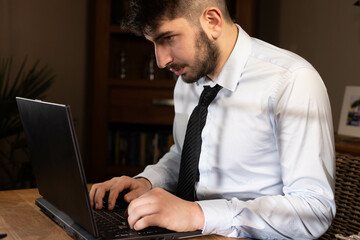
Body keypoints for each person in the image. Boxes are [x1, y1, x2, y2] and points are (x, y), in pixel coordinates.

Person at [89, 0, 336, 239]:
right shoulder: (187, 78)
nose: (161, 61)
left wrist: (197, 215)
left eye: (168, 39)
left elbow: (314, 210)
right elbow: (184, 156)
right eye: (153, 43)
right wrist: (147, 182)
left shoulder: (292, 81)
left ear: (212, 21)